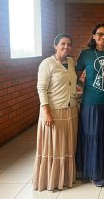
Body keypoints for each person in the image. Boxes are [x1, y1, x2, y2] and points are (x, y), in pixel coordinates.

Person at [75, 23, 104, 187]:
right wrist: (84, 87)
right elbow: (74, 75)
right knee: (93, 136)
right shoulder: (85, 54)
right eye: (99, 34)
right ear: (93, 36)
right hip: (90, 103)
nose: (103, 37)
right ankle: (94, 172)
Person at [33, 34, 78, 191]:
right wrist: (47, 112)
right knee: (54, 147)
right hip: (54, 112)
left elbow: (75, 81)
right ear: (55, 45)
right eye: (63, 44)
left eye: (69, 44)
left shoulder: (71, 62)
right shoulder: (47, 64)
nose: (66, 47)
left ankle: (66, 177)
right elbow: (41, 88)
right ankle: (51, 180)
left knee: (67, 146)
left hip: (71, 109)